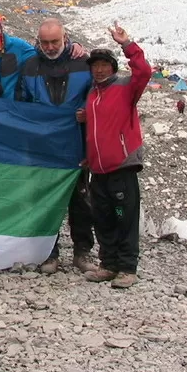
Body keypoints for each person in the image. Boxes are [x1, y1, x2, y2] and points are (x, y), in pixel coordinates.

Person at [16, 18, 97, 274]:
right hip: (42, 147)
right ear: (38, 41)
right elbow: (21, 106)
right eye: (45, 42)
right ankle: (48, 252)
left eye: (55, 41)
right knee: (44, 201)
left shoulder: (84, 64)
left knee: (80, 200)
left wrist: (88, 115)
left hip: (75, 144)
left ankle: (82, 251)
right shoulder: (29, 67)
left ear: (65, 38)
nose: (50, 47)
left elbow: (98, 100)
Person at [80, 22, 152, 289]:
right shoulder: (92, 95)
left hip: (121, 167)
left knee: (125, 217)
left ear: (113, 66)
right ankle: (108, 264)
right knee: (104, 218)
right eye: (94, 65)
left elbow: (144, 71)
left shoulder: (125, 88)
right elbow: (96, 130)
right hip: (98, 169)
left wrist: (126, 44)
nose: (99, 70)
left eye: (104, 65)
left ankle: (127, 267)